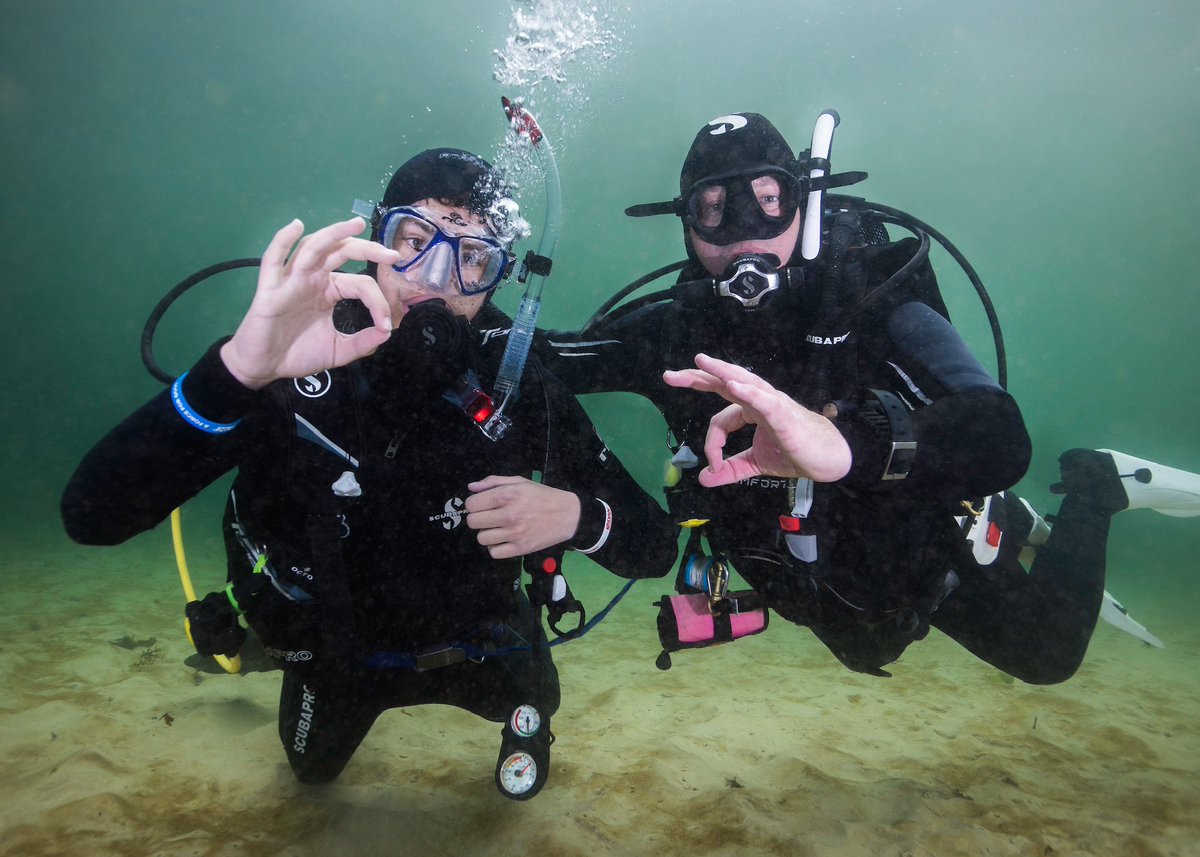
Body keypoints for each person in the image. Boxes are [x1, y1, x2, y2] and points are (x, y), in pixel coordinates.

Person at [61, 147, 677, 799]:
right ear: (374, 237)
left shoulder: (517, 385)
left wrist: (578, 518)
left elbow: (656, 548)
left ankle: (516, 709)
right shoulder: (293, 358)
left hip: (474, 642)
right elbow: (92, 517)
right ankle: (255, 649)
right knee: (311, 773)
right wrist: (238, 370)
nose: (434, 279)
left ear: (497, 279)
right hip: (336, 657)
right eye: (414, 240)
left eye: (472, 257)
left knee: (534, 696)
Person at [537, 112, 1200, 682]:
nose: (742, 228)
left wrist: (849, 445)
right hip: (822, 581)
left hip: (915, 557)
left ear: (803, 202)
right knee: (864, 639)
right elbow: (542, 359)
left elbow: (998, 433)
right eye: (712, 207)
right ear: (687, 226)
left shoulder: (869, 300)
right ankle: (1012, 522)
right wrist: (446, 304)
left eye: (767, 199)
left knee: (1048, 654)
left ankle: (1096, 485)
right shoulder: (672, 334)